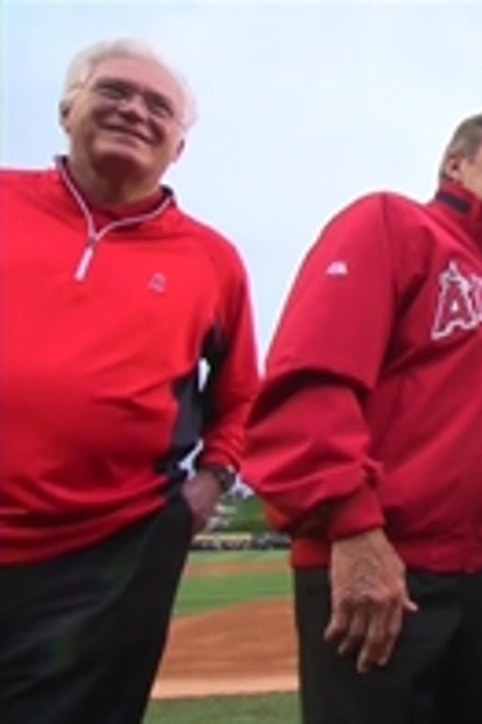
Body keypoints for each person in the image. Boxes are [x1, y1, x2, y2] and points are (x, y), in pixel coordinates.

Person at [242, 110, 482, 723]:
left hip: (468, 569)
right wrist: (352, 528)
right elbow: (311, 377)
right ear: (455, 165)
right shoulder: (392, 221)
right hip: (381, 560)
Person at [0, 38, 260, 723]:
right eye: (114, 91)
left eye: (159, 107)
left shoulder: (213, 261)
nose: (135, 111)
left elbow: (241, 395)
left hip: (112, 558)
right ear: (66, 109)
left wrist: (213, 480)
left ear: (178, 146)